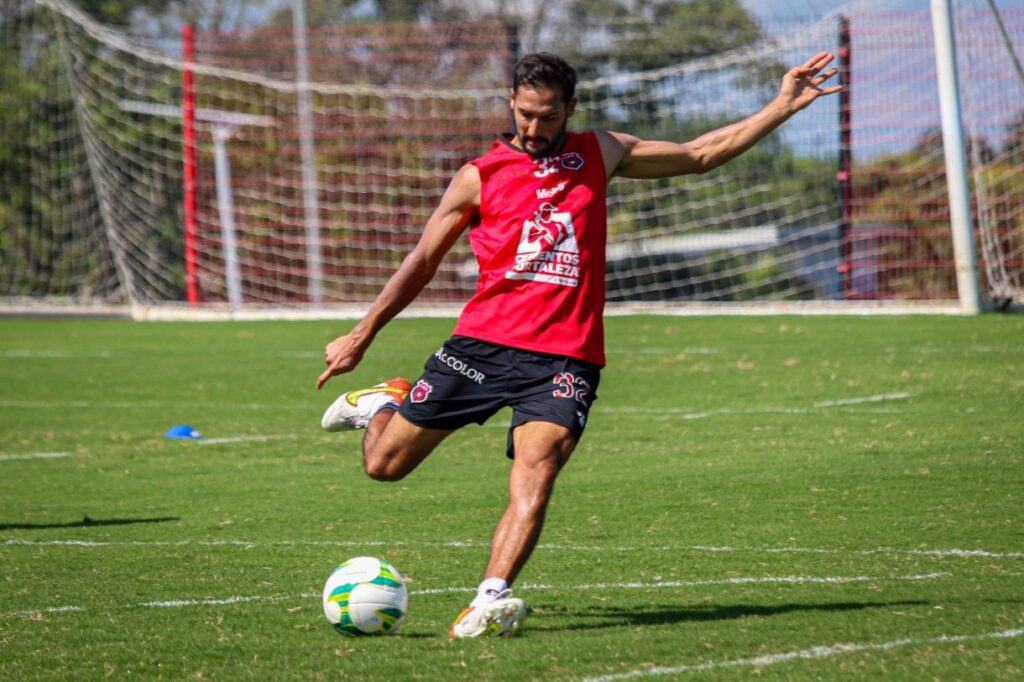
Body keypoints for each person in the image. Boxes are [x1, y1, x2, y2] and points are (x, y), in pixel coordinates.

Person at [316, 51, 842, 638]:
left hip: (566, 358)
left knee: (537, 469)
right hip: (482, 345)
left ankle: (490, 596)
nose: (534, 129)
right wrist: (363, 333)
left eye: (547, 117)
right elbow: (422, 260)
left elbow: (699, 155)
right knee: (383, 467)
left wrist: (781, 106)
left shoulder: (601, 151)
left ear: (570, 108)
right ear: (510, 103)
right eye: (525, 115)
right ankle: (387, 400)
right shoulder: (480, 175)